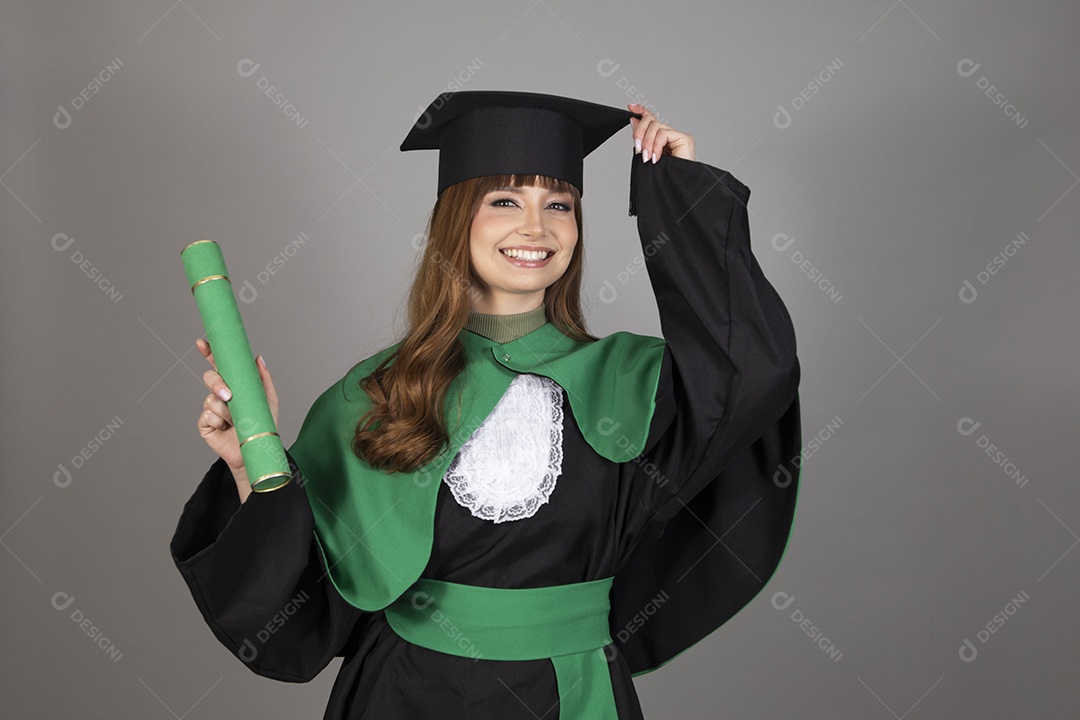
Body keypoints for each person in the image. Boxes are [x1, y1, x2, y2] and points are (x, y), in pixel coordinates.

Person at [171, 90, 802, 719]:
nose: (537, 228)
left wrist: (681, 195)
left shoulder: (631, 380)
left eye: (559, 205)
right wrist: (245, 466)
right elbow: (304, 597)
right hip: (405, 693)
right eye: (505, 202)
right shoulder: (379, 391)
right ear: (456, 221)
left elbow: (750, 372)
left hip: (573, 691)